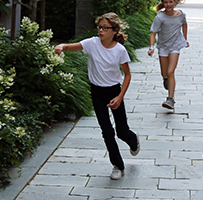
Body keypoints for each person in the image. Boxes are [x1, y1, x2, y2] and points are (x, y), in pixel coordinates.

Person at [54, 12, 140, 180]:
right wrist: (61, 46)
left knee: (121, 131)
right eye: (99, 27)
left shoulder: (120, 50)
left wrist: (120, 96)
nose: (101, 30)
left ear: (114, 30)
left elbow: (127, 75)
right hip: (97, 93)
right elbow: (72, 46)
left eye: (105, 28)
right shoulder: (92, 43)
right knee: (107, 131)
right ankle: (118, 165)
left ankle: (133, 139)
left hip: (114, 91)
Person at [148, 0, 188, 111]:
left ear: (175, 2)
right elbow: (153, 33)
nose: (168, 4)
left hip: (175, 46)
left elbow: (184, 24)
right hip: (163, 47)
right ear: (163, 3)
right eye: (166, 2)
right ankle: (166, 79)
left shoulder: (181, 14)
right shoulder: (160, 17)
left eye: (171, 2)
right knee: (164, 73)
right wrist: (151, 47)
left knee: (171, 72)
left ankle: (170, 99)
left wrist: (185, 39)